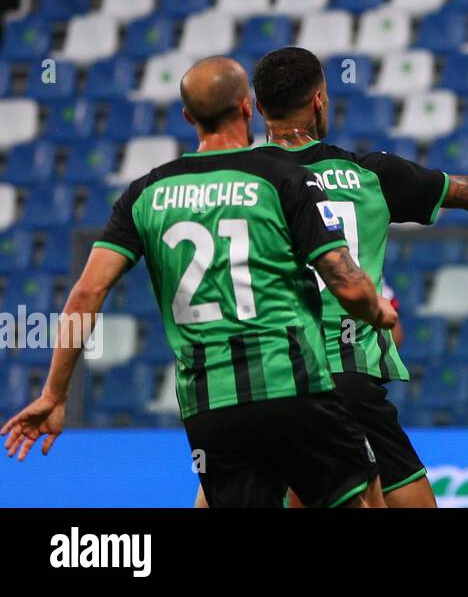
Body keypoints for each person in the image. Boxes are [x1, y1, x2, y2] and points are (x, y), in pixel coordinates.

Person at [191, 46, 468, 509]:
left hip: (254, 380)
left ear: (257, 107)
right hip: (343, 378)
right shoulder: (368, 175)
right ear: (320, 100)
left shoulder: (234, 183)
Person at [1, 57, 394, 508]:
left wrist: (54, 392)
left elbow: (87, 293)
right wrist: (376, 310)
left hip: (211, 409)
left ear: (188, 117)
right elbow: (346, 284)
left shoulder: (145, 193)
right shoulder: (283, 177)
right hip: (293, 388)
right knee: (363, 499)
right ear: (248, 108)